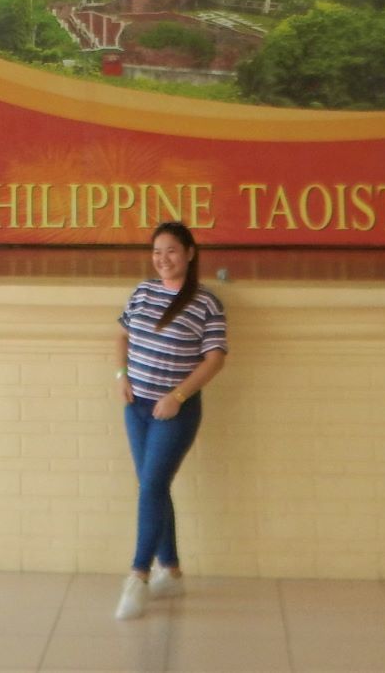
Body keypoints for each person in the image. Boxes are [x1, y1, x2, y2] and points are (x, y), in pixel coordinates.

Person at [112, 219, 226, 622]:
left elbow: (215, 359)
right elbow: (121, 335)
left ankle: (138, 576)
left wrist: (177, 397)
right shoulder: (143, 291)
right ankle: (172, 570)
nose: (163, 259)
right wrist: (121, 376)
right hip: (137, 407)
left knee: (152, 486)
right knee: (152, 487)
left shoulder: (206, 302)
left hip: (174, 412)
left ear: (190, 253)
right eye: (157, 252)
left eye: (171, 251)